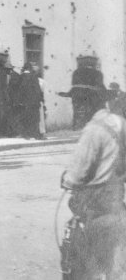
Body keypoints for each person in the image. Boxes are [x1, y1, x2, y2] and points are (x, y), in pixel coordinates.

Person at [60, 85, 126, 278]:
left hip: (93, 210)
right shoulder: (120, 123)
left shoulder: (92, 130)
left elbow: (77, 175)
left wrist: (66, 179)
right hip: (116, 207)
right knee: (114, 267)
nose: (77, 107)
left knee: (84, 267)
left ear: (91, 102)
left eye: (80, 101)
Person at [12, 63, 43, 139]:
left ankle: (25, 134)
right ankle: (36, 134)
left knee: (25, 118)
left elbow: (19, 90)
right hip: (34, 102)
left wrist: (19, 101)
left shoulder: (21, 77)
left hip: (25, 102)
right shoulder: (34, 77)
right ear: (30, 68)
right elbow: (38, 90)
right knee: (35, 119)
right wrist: (39, 100)